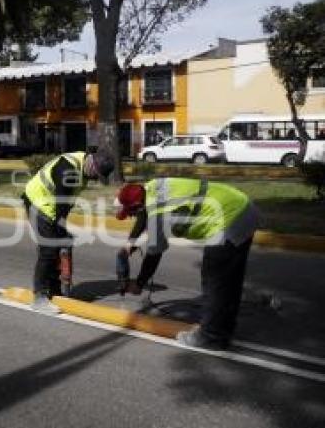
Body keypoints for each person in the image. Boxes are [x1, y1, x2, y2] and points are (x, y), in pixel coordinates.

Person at [115, 178, 260, 350]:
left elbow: (154, 254)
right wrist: (130, 242)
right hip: (241, 207)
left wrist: (139, 284)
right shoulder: (151, 187)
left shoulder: (157, 215)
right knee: (230, 279)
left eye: (130, 212)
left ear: (139, 205)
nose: (131, 216)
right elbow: (143, 214)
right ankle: (224, 327)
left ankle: (210, 337)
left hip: (228, 218)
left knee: (215, 279)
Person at [22, 150, 115, 312]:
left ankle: (55, 290)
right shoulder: (68, 171)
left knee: (60, 244)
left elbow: (66, 203)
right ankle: (40, 297)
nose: (95, 179)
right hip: (38, 203)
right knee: (49, 250)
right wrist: (63, 229)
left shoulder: (83, 168)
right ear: (92, 166)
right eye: (96, 175)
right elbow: (60, 206)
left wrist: (64, 231)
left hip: (52, 205)